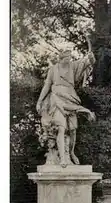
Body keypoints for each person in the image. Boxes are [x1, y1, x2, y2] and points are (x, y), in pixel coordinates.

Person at [36, 34, 96, 167]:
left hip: (71, 98)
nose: (69, 59)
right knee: (61, 128)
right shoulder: (53, 69)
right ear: (60, 57)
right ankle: (63, 158)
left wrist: (90, 58)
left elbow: (87, 62)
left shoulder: (73, 66)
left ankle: (71, 152)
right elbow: (47, 86)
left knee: (73, 129)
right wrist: (40, 101)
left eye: (70, 57)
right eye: (66, 57)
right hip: (57, 99)